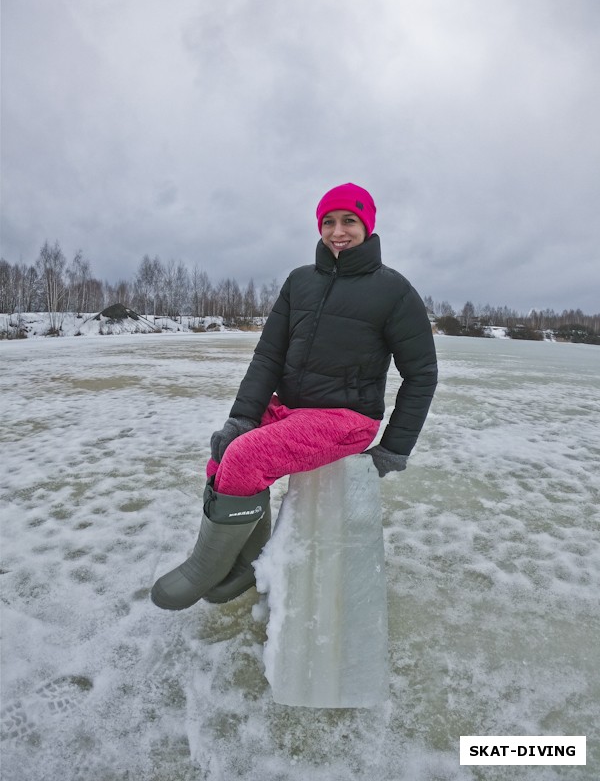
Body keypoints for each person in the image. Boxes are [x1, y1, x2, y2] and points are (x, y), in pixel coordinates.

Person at [151, 183, 438, 610]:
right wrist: (242, 418)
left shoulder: (393, 291)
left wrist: (395, 447)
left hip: (346, 419)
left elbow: (422, 374)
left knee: (248, 458)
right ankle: (246, 560)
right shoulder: (299, 281)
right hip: (290, 409)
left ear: (368, 226)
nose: (337, 231)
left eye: (349, 221)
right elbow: (268, 355)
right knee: (227, 447)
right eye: (328, 222)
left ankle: (203, 566)